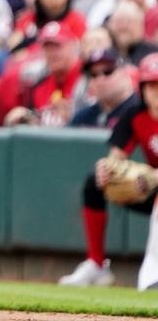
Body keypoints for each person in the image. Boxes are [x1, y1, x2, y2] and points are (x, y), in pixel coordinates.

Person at [59, 53, 158, 288]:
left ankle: (153, 274)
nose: (156, 91)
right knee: (96, 180)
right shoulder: (135, 114)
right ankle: (95, 264)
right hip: (150, 188)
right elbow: (115, 158)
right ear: (142, 89)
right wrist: (107, 170)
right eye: (151, 85)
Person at [70, 48, 136, 128]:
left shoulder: (141, 113)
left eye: (108, 72)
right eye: (93, 75)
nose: (100, 79)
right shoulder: (83, 117)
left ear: (125, 73)